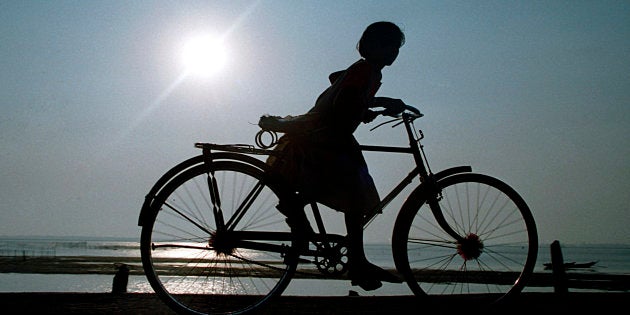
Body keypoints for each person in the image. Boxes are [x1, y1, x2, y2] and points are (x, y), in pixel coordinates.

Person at [260, 21, 407, 291]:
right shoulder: (365, 70)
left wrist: (365, 110)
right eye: (391, 47)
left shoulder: (367, 71)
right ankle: (357, 261)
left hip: (325, 135)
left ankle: (301, 213)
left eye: (396, 48)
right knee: (355, 191)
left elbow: (343, 92)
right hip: (325, 137)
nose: (394, 53)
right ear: (375, 47)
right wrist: (382, 103)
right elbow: (345, 101)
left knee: (345, 189)